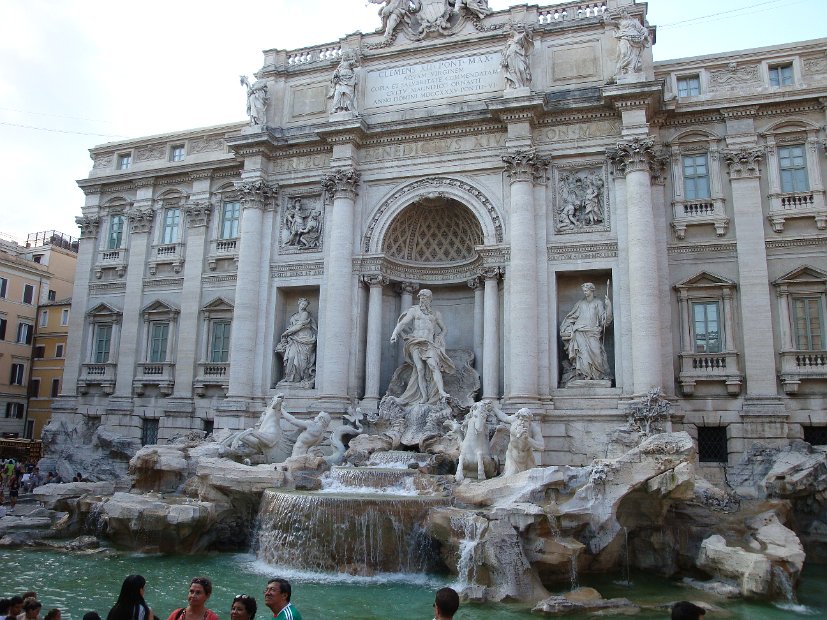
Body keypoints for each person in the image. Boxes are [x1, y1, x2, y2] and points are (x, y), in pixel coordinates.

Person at [390, 289, 455, 405]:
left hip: (429, 343)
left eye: (424, 297)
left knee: (433, 366)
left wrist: (440, 336)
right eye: (420, 297)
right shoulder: (414, 311)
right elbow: (403, 323)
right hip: (415, 342)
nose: (422, 299)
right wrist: (395, 333)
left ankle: (441, 391)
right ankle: (424, 396)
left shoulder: (435, 314)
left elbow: (444, 328)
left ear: (430, 299)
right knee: (419, 369)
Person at [560, 282, 613, 385]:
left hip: (593, 333)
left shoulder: (598, 303)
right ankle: (584, 376)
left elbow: (604, 321)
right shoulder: (580, 304)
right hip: (579, 332)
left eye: (586, 290)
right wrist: (566, 327)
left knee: (597, 354)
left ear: (592, 290)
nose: (585, 292)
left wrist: (609, 306)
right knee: (582, 355)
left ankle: (597, 376)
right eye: (584, 290)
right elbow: (570, 318)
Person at [275, 298, 317, 387]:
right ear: (299, 303)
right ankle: (289, 378)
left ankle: (298, 378)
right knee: (291, 356)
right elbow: (291, 326)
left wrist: (286, 332)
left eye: (305, 305)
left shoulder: (305, 314)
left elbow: (299, 325)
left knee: (302, 361)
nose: (303, 306)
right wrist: (288, 333)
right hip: (294, 339)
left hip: (305, 338)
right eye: (302, 304)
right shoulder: (294, 316)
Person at [611, 9, 649, 75]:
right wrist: (605, 17)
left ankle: (631, 70)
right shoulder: (620, 22)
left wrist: (645, 33)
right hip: (624, 37)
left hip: (635, 38)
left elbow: (642, 29)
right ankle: (623, 69)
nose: (622, 14)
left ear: (627, 13)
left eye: (623, 12)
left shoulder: (634, 21)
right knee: (624, 53)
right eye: (621, 14)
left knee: (634, 55)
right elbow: (609, 23)